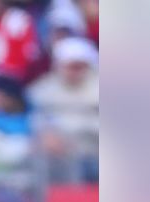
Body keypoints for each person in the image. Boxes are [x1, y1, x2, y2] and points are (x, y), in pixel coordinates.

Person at [28, 36, 99, 184]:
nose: (74, 72)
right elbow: (38, 119)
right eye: (70, 66)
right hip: (58, 154)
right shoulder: (44, 89)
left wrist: (73, 134)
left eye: (79, 66)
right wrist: (46, 135)